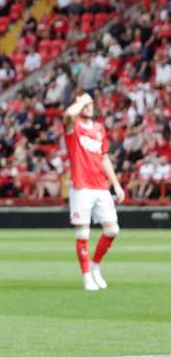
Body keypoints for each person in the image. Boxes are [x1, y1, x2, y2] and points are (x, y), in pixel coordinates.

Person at [63, 92, 124, 291]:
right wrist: (80, 101)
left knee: (112, 229)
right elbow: (67, 116)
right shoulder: (74, 126)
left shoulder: (99, 128)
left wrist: (115, 184)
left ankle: (96, 265)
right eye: (85, 104)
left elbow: (104, 157)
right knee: (83, 232)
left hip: (100, 186)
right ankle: (86, 275)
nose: (89, 106)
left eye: (91, 103)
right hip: (81, 186)